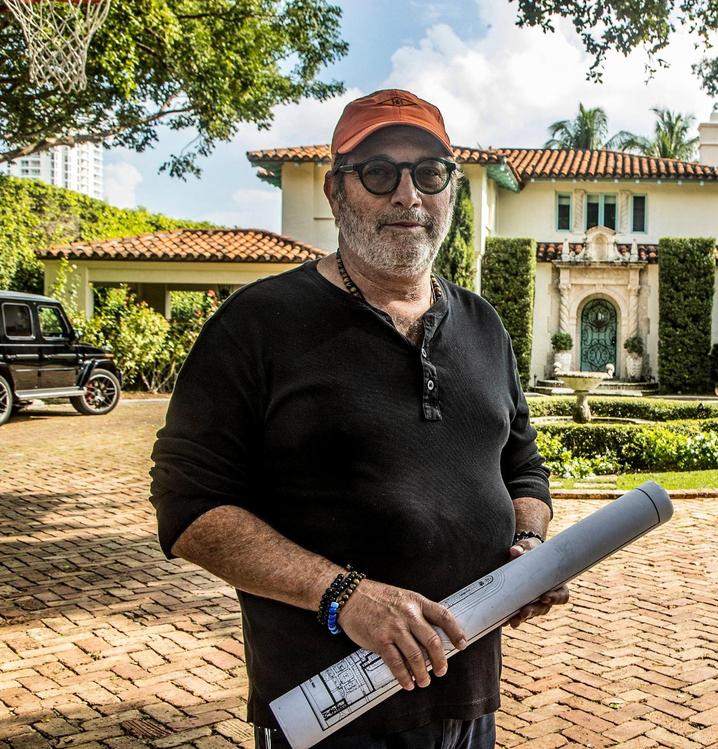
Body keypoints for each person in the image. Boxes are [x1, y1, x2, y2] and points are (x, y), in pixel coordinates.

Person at [150, 89, 568, 749]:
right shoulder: (256, 325)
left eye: (429, 173)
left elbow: (523, 466)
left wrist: (532, 550)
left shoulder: (485, 326)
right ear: (336, 190)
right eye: (379, 172)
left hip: (467, 700)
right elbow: (189, 507)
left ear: (450, 190)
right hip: (331, 710)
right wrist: (342, 594)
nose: (408, 195)